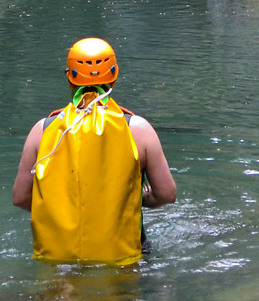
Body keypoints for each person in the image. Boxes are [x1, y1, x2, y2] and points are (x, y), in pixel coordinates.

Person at [12, 36, 176, 265]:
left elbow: (20, 198)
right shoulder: (138, 129)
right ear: (114, 77)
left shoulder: (42, 130)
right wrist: (139, 198)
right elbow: (166, 194)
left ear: (70, 79)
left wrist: (61, 210)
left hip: (60, 258)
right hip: (123, 256)